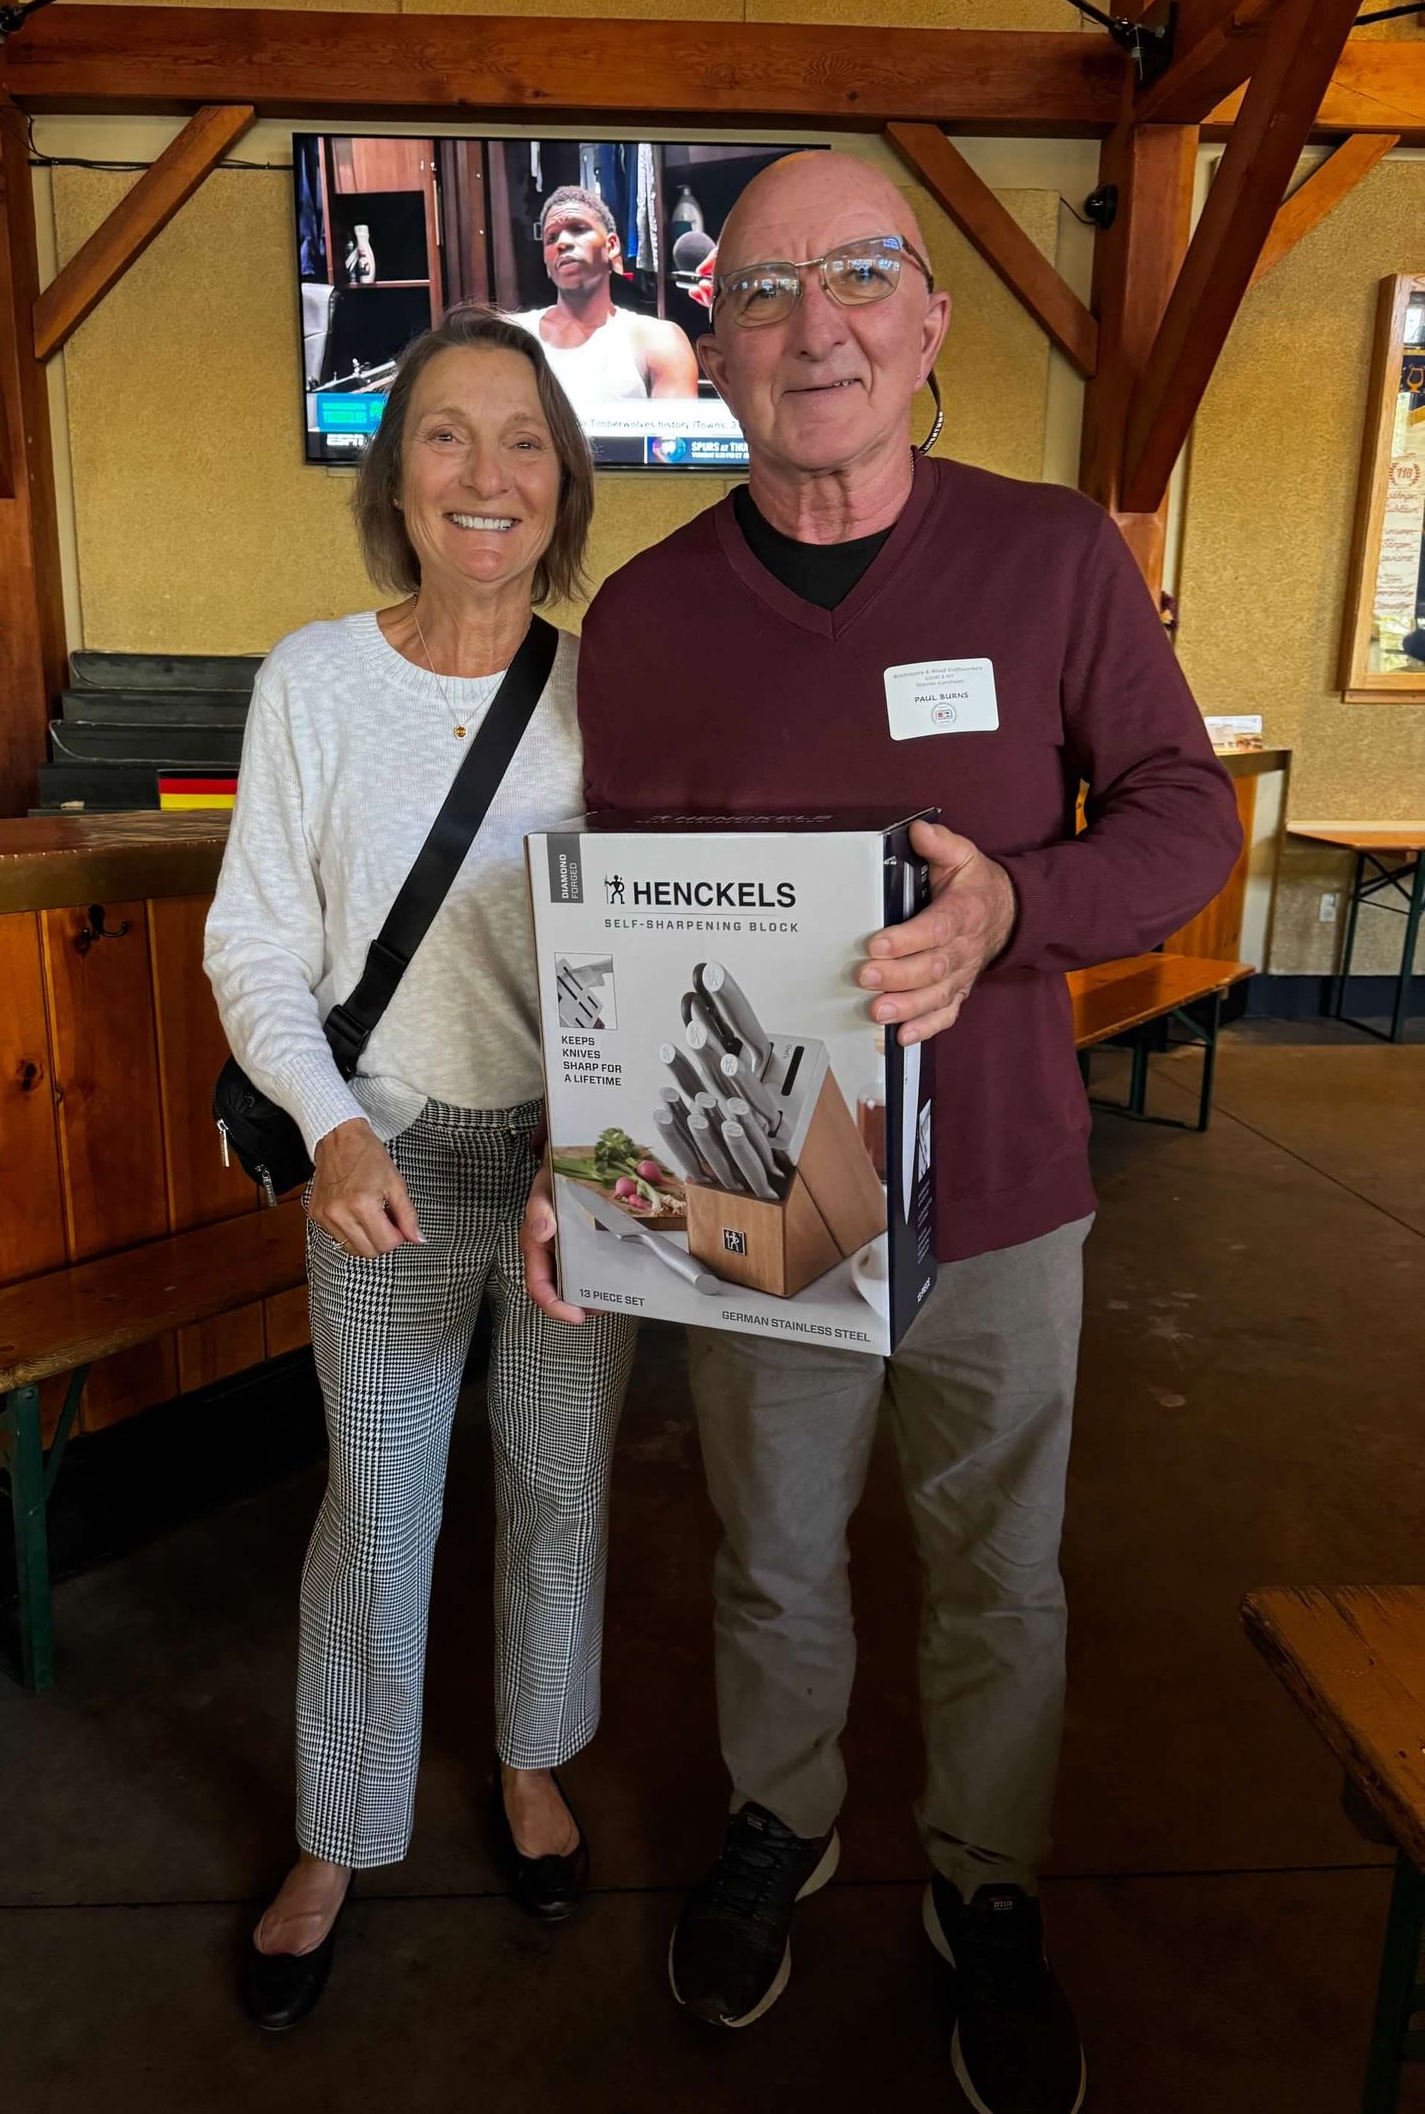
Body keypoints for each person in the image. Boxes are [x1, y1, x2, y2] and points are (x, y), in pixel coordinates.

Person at [520, 152, 1241, 2114]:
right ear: (715, 346)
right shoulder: (648, 619)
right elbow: (619, 936)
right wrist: (587, 1161)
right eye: (762, 290)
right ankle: (784, 1816)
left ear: (927, 322)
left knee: (998, 1566)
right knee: (770, 1553)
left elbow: (1183, 813)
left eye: (856, 277)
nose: (812, 326)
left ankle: (985, 1882)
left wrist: (1016, 906)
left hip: (997, 1191)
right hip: (758, 1197)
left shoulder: (1050, 559)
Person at [205, 305, 637, 2032]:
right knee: (377, 1510)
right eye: (446, 434)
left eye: (524, 440)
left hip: (572, 1166)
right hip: (376, 1155)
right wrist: (330, 1128)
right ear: (395, 478)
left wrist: (591, 1147)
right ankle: (338, 1829)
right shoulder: (313, 680)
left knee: (559, 1483)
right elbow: (255, 940)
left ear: (562, 484)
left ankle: (531, 1757)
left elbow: (650, 941)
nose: (486, 473)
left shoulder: (608, 692)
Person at [508, 184, 699, 407]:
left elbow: (675, 430)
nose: (562, 243)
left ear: (611, 246)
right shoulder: (512, 335)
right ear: (546, 261)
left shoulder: (659, 341)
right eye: (551, 238)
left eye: (578, 229)